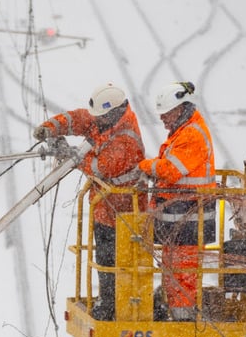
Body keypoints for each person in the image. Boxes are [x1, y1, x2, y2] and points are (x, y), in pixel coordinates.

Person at [33, 83, 145, 320]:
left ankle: (114, 306)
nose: (96, 121)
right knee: (105, 262)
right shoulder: (106, 121)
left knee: (116, 265)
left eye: (100, 117)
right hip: (105, 210)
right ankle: (108, 302)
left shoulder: (126, 138)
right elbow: (80, 119)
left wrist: (71, 155)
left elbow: (100, 167)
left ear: (114, 112)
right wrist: (51, 127)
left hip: (124, 215)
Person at [138, 81, 216, 321]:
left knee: (182, 270)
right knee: (174, 268)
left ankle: (183, 317)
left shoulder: (191, 134)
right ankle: (177, 309)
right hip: (180, 217)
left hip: (189, 217)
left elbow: (170, 170)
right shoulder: (183, 131)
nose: (162, 120)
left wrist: (145, 165)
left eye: (166, 114)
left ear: (180, 109)